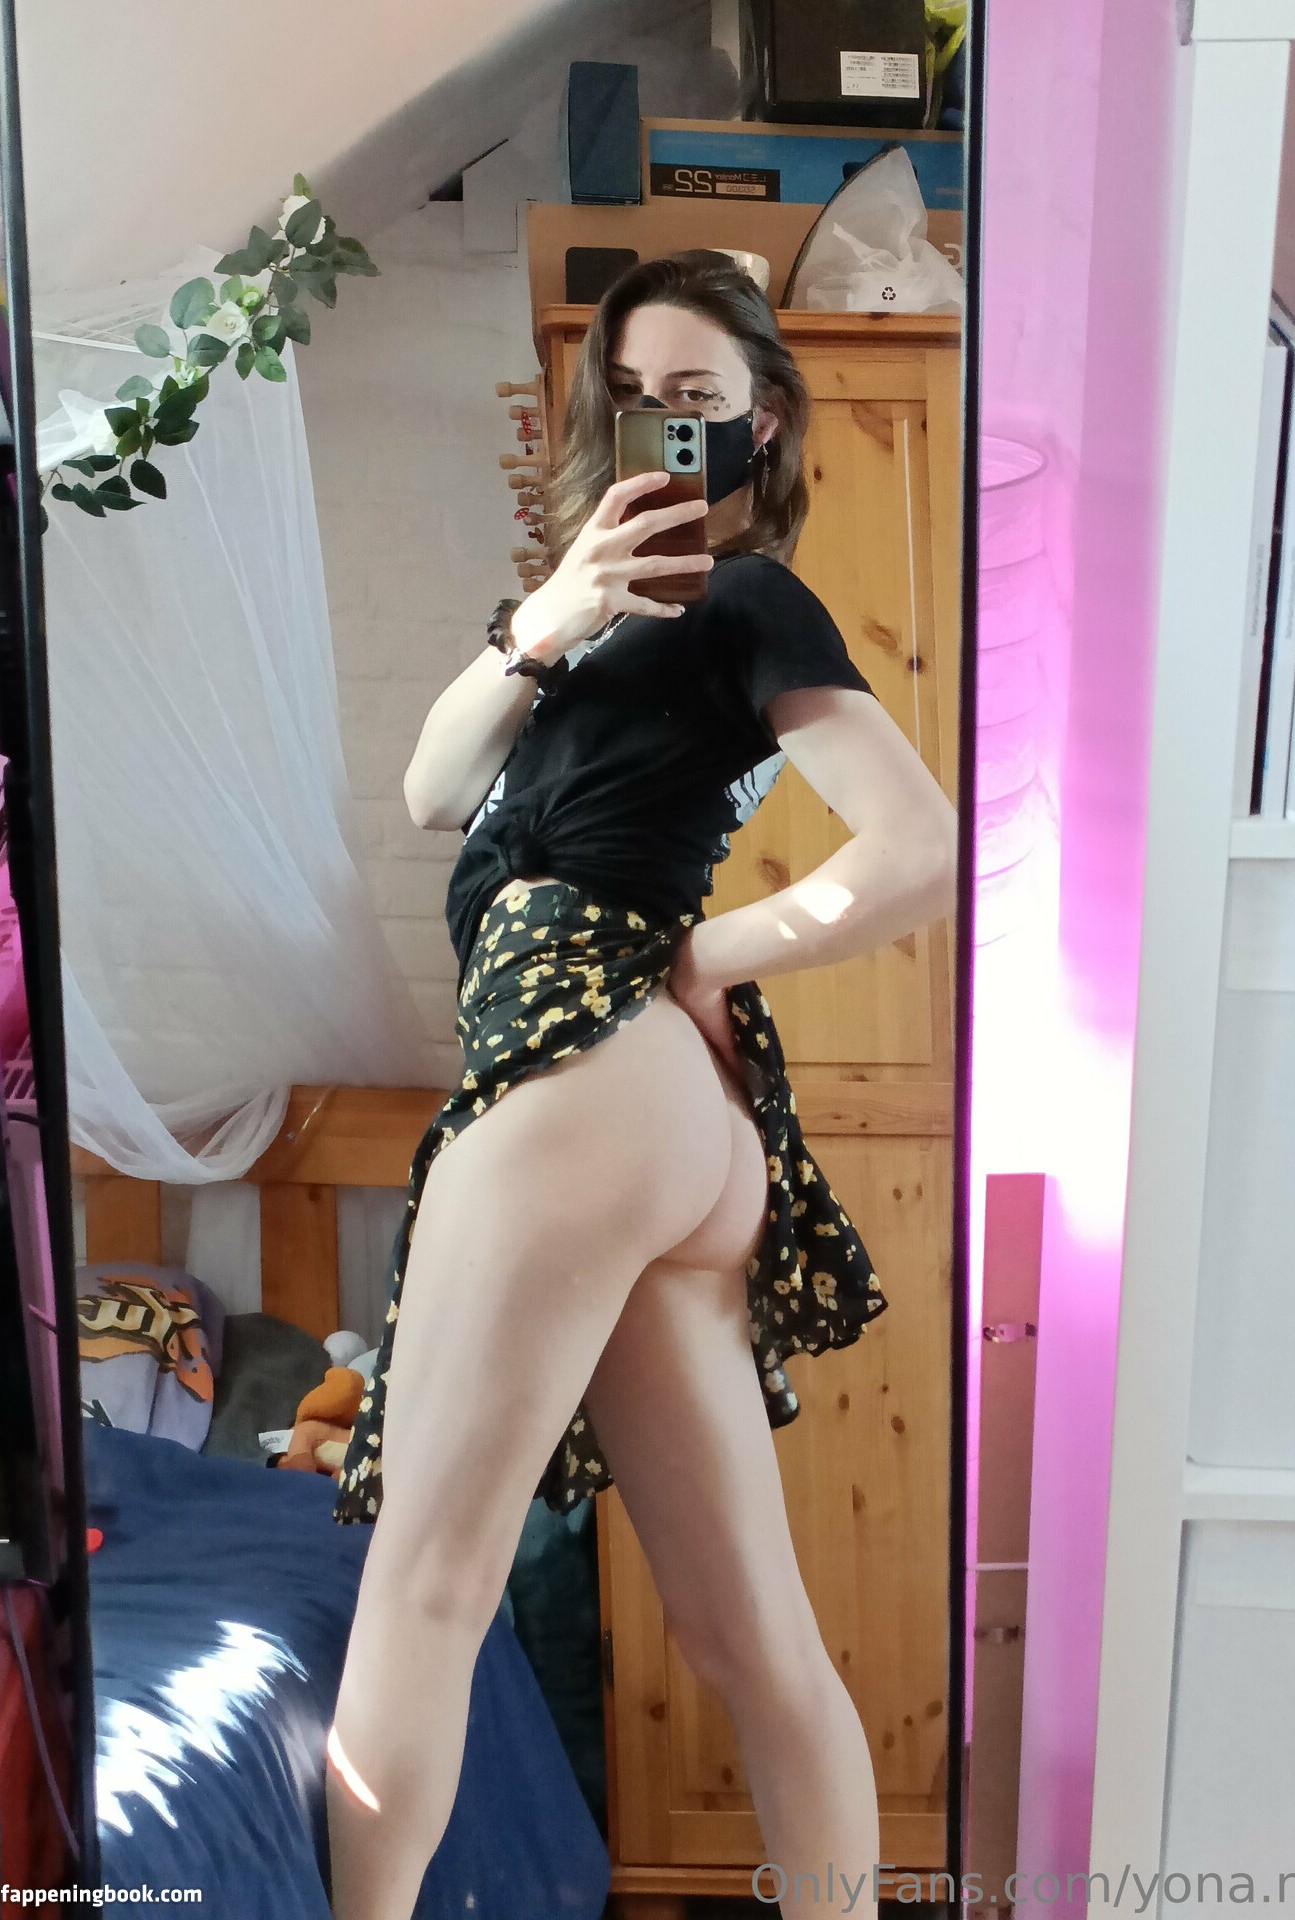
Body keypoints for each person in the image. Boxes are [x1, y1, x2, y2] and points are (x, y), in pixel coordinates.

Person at [323, 249, 959, 1920]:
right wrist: (554, 613)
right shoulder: (572, 637)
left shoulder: (747, 600)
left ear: (765, 421)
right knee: (748, 1636)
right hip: (649, 1120)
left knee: (425, 1587)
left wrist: (712, 953)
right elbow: (429, 787)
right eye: (631, 399)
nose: (662, 427)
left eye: (697, 399)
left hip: (589, 1066)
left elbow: (917, 848)